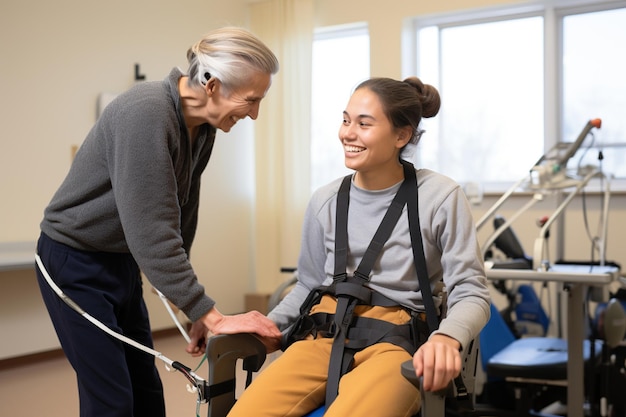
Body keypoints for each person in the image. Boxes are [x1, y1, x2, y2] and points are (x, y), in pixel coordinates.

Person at [35, 26, 282, 417]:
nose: (253, 114)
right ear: (213, 85)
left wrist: (192, 308)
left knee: (147, 394)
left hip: (121, 262)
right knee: (112, 400)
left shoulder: (201, 127)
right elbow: (151, 230)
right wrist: (211, 315)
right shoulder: (145, 113)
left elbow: (182, 215)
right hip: (73, 264)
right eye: (251, 100)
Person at [227, 76, 491, 417]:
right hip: (322, 335)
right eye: (346, 120)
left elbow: (471, 291)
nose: (348, 134)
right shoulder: (325, 200)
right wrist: (270, 324)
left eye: (364, 124)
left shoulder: (440, 196)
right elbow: (307, 284)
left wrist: (447, 338)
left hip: (397, 342)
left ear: (402, 135)